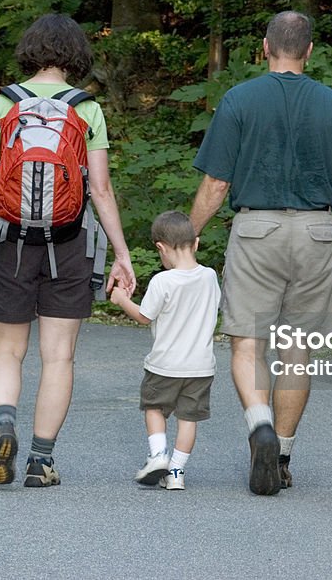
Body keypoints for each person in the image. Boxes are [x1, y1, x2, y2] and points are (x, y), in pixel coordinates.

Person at [189, 11, 332, 495]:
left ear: (265, 46)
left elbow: (216, 183)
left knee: (248, 341)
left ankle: (259, 425)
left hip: (255, 229)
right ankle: (284, 455)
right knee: (297, 350)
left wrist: (188, 235)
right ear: (309, 50)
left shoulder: (239, 100)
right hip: (317, 232)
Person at [0, 14, 135, 488]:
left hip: (6, 242)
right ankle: (40, 462)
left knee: (7, 349)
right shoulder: (87, 109)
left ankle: (4, 423)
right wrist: (121, 253)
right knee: (58, 357)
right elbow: (100, 189)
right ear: (76, 54)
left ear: (30, 50)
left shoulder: (2, 103)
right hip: (69, 243)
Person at [110, 210, 221, 491]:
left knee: (154, 408)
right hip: (201, 366)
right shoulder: (209, 277)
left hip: (165, 364)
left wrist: (122, 299)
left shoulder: (163, 281)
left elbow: (145, 316)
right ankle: (176, 472)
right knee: (188, 419)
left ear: (161, 248)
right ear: (195, 243)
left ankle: (158, 455)